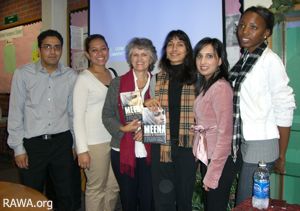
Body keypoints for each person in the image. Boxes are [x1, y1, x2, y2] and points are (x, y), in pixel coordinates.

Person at [229, 6, 296, 205]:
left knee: (247, 201)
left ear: (266, 32)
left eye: (252, 27)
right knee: (252, 202)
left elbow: (285, 106)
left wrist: (282, 154)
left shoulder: (270, 61)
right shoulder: (246, 60)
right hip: (247, 141)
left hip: (263, 143)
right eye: (241, 26)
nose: (244, 31)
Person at [7, 29, 79, 210]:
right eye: (47, 47)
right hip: (33, 145)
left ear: (61, 49)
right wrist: (18, 148)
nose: (52, 52)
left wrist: (74, 144)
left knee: (66, 193)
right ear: (39, 49)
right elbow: (16, 112)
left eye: (57, 47)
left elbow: (72, 113)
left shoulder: (71, 76)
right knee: (31, 194)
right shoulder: (23, 74)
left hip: (62, 143)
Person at [102, 37, 157, 211]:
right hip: (122, 150)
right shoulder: (118, 83)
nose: (139, 59)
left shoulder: (158, 83)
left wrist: (147, 131)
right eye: (135, 54)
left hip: (150, 151)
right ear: (129, 58)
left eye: (144, 54)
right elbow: (107, 115)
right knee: (128, 200)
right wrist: (122, 128)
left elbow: (165, 115)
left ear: (151, 58)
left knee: (149, 199)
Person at [145, 29, 197, 211]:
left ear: (188, 50)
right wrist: (146, 103)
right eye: (170, 44)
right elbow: (145, 108)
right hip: (161, 146)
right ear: (165, 49)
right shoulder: (155, 79)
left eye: (180, 44)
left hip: (187, 147)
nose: (174, 48)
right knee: (163, 200)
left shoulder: (196, 78)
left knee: (184, 200)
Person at [73, 34, 119, 211]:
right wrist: (82, 150)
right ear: (87, 54)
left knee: (113, 187)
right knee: (96, 189)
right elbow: (77, 117)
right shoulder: (83, 79)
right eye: (94, 50)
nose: (100, 53)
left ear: (108, 50)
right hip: (94, 143)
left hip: (115, 139)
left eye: (103, 48)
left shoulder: (114, 74)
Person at [193, 37, 237, 211]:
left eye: (209, 56)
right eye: (200, 56)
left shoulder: (220, 88)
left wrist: (212, 174)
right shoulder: (207, 85)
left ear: (219, 60)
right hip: (209, 157)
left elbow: (225, 135)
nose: (203, 61)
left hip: (218, 161)